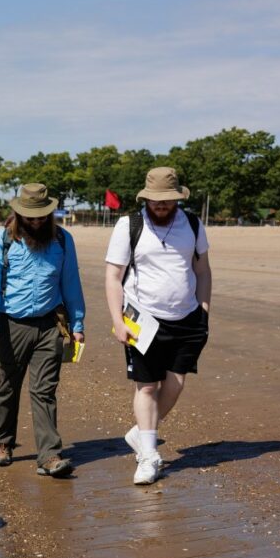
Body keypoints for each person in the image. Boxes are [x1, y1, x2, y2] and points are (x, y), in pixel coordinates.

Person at [104, 167, 211, 485]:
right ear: (146, 198)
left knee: (176, 384)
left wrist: (204, 313)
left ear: (178, 199)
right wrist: (117, 320)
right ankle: (148, 456)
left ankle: (141, 431)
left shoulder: (192, 223)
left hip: (188, 319)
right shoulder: (129, 225)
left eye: (168, 201)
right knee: (147, 386)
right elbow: (113, 277)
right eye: (156, 201)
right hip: (143, 319)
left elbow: (203, 271)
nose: (162, 206)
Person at [0, 184, 86, 477]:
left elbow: (71, 283)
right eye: (30, 217)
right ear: (19, 213)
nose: (36, 222)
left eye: (41, 217)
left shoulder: (63, 240)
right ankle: (2, 444)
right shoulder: (1, 241)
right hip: (10, 325)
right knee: (8, 385)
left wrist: (77, 325)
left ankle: (49, 456)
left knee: (44, 390)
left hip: (51, 324)